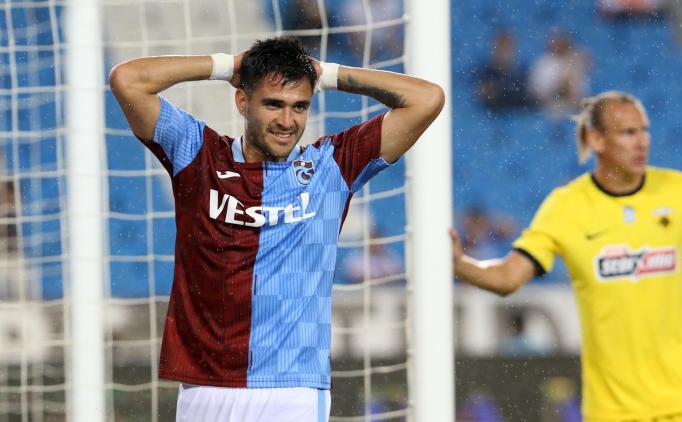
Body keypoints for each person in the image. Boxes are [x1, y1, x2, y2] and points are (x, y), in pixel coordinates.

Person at [109, 37, 443, 421]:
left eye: (299, 106)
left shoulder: (332, 166)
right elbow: (127, 80)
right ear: (242, 102)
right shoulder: (197, 154)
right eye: (273, 104)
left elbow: (427, 98)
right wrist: (227, 66)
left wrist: (326, 74)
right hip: (206, 385)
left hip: (293, 388)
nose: (287, 121)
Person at [450, 91, 682, 421]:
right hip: (613, 411)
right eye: (628, 132)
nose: (642, 141)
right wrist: (460, 265)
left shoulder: (675, 191)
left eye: (644, 130)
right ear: (596, 140)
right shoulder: (567, 207)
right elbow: (508, 278)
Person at [476, 30, 533, 113]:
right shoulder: (485, 74)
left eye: (508, 47)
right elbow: (487, 98)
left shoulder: (521, 74)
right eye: (502, 47)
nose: (505, 52)